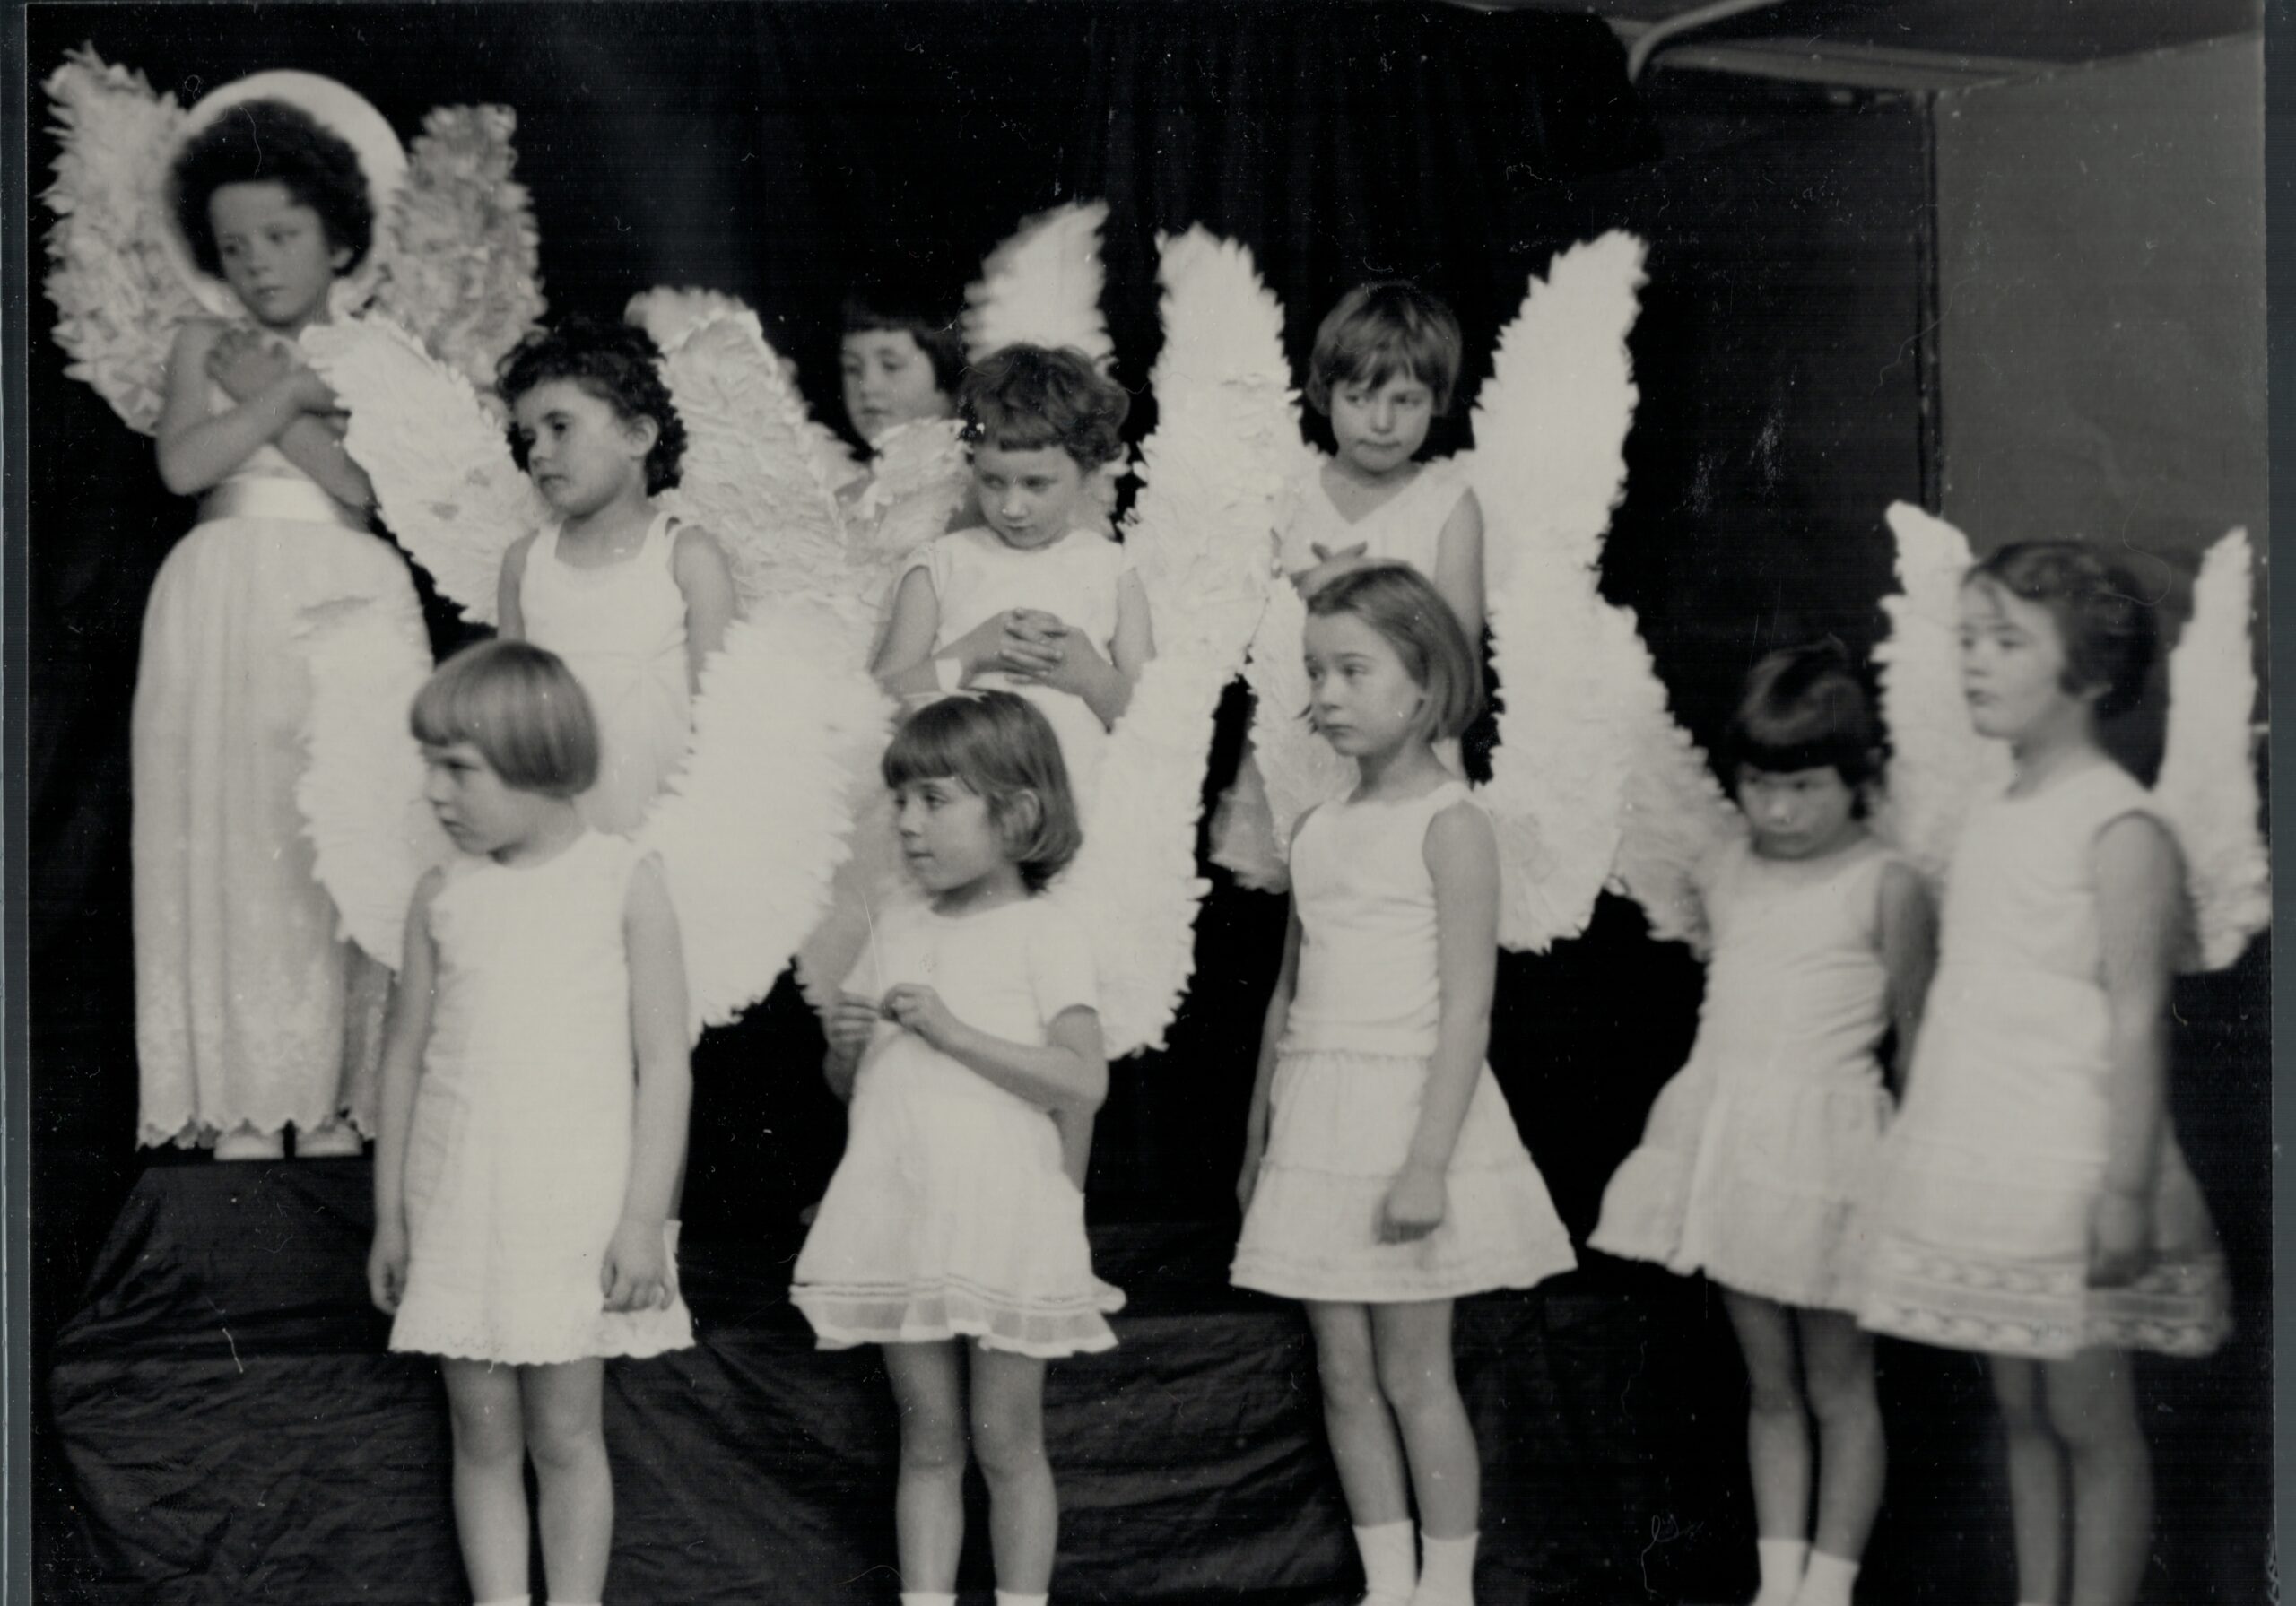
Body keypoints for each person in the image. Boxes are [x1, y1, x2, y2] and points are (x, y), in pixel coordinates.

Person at [1861, 542, 2231, 1606]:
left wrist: (2121, 1193)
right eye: (1967, 639)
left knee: (2087, 1420)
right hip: (1985, 1152)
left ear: (2090, 670)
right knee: (2019, 1413)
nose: (1973, 663)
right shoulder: (1992, 809)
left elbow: (2129, 1019)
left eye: (2006, 642)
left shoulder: (2118, 825)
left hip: (2068, 1160)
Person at [1232, 564, 1575, 1606]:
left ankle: (1448, 1586)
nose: (1325, 694)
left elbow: (1467, 1010)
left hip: (1410, 1121)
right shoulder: (1316, 830)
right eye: (1313, 673)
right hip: (1319, 1126)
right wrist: (1257, 1149)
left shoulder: (1452, 825)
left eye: (1350, 670)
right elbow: (1286, 1000)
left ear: (1424, 682)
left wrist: (1428, 1162)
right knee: (1343, 1371)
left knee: (1413, 1373)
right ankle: (1389, 1586)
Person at [1591, 643, 1936, 1606]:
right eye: (1755, 784)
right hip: (1729, 1149)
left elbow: (1916, 1044)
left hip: (1829, 1159)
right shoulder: (1727, 866)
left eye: (1803, 786)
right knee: (1770, 1387)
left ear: (1857, 780)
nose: (1776, 810)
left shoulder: (1888, 884)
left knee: (1837, 1385)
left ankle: (1827, 1589)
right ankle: (1774, 1585)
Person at [368, 639, 693, 1606]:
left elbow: (665, 1063)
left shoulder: (622, 879)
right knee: (482, 1437)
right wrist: (392, 1217)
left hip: (572, 1208)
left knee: (563, 1434)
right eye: (431, 766)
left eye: (457, 769)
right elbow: (402, 1060)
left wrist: (642, 1220)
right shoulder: (442, 897)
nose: (434, 792)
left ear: (538, 761)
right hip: (461, 1204)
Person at [139, 88, 426, 1159]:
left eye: (282, 236)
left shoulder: (384, 352)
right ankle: (249, 1107)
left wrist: (289, 394)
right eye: (234, 244)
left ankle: (340, 1104)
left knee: (333, 840)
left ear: (339, 236)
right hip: (220, 601)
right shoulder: (199, 343)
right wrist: (276, 395)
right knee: (232, 837)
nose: (257, 263)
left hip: (345, 597)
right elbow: (182, 465)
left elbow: (362, 493)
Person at [792, 691, 1119, 1606]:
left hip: (1004, 1216)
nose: (905, 823)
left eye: (934, 800)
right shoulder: (896, 924)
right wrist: (847, 1051)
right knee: (927, 1439)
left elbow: (1081, 1080)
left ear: (1015, 813)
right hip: (903, 1213)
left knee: (1007, 1443)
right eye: (900, 801)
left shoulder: (1045, 931)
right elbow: (860, 1088)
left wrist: (951, 1030)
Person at [1217, 281, 1485, 887]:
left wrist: (1365, 593)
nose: (1383, 421)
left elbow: (1457, 647)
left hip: (1404, 748)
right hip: (1295, 737)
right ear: (1325, 392)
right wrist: (1309, 583)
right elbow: (1235, 613)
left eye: (1407, 399)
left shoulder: (1448, 502)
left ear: (1437, 400)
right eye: (1361, 396)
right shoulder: (1290, 488)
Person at [871, 342, 1152, 807]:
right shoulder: (942, 563)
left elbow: (1160, 721)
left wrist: (1091, 677)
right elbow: (878, 702)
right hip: (961, 808)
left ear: (1085, 471)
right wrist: (972, 654)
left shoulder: (1112, 569)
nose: (1012, 507)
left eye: (1037, 484)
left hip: (1079, 808)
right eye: (993, 480)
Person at [495, 317, 739, 832]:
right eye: (528, 437)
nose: (538, 452)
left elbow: (721, 717)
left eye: (560, 428)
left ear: (638, 436)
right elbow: (508, 710)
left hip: (662, 815)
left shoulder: (685, 556)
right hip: (561, 820)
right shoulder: (524, 563)